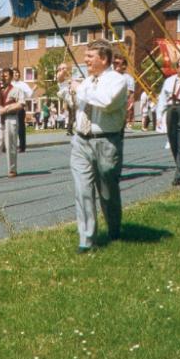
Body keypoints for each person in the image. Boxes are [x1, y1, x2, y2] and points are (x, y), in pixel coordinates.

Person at [57, 39, 127, 252]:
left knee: (108, 192)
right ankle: (86, 241)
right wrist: (63, 83)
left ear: (103, 59)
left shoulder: (118, 80)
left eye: (90, 56)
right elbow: (73, 101)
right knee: (83, 191)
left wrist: (79, 89)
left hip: (106, 142)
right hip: (81, 142)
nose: (85, 60)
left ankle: (114, 230)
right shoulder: (86, 82)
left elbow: (106, 103)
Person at [11, 69, 33, 152]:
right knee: (11, 128)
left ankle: (22, 147)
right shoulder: (10, 84)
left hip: (20, 107)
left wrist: (24, 93)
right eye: (14, 73)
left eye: (17, 73)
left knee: (20, 128)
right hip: (11, 107)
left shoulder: (23, 84)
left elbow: (30, 94)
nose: (16, 74)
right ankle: (10, 146)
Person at [115, 57, 136, 130]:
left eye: (117, 63)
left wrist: (130, 104)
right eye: (114, 63)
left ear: (124, 66)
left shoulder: (128, 78)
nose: (115, 65)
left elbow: (131, 93)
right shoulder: (110, 77)